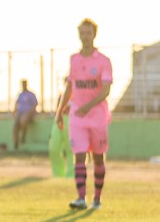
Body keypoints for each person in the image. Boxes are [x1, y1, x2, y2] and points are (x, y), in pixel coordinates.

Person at [55, 18, 112, 210]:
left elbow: (105, 90)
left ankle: (97, 199)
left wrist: (89, 106)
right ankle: (81, 198)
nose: (85, 37)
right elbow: (70, 85)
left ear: (94, 35)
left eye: (88, 33)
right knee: (79, 155)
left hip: (97, 116)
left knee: (97, 157)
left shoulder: (103, 61)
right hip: (77, 116)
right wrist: (60, 111)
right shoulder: (74, 59)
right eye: (82, 33)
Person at [48, 77, 73, 178]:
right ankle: (58, 174)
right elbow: (59, 108)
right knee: (54, 148)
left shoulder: (79, 96)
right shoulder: (61, 96)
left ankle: (71, 175)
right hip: (60, 120)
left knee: (71, 149)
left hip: (73, 120)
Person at [12, 79, 38, 149]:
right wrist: (14, 111)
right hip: (20, 112)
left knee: (23, 121)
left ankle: (23, 135)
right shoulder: (20, 94)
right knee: (15, 126)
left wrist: (31, 112)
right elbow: (16, 103)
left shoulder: (31, 94)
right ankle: (16, 143)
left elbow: (35, 103)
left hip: (28, 112)